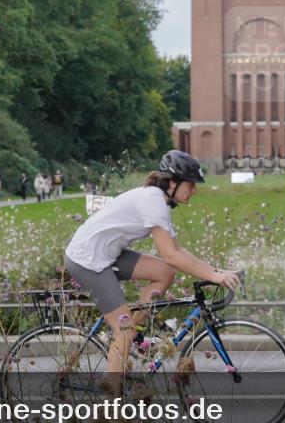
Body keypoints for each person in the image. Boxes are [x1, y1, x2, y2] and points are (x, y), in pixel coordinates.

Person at [64, 150, 242, 396]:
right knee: (123, 329)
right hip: (87, 259)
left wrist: (215, 271)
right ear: (173, 182)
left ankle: (133, 338)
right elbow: (171, 254)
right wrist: (215, 277)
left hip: (106, 253)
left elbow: (177, 252)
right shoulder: (153, 201)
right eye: (191, 184)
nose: (194, 190)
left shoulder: (159, 200)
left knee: (165, 272)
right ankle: (110, 404)